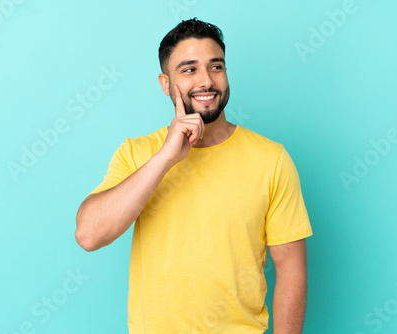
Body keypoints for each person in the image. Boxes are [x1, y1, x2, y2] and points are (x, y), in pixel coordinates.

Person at [75, 17, 313, 334]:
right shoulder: (137, 153)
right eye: (189, 70)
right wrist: (166, 158)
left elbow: (291, 269)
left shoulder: (272, 159)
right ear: (165, 84)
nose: (206, 81)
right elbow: (89, 235)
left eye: (216, 67)